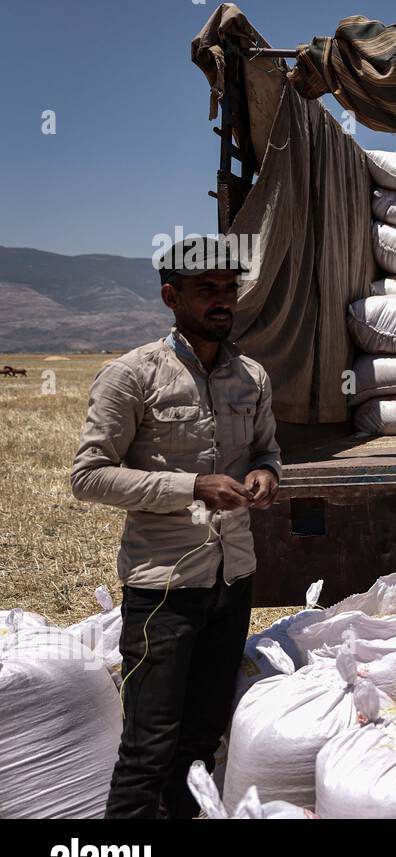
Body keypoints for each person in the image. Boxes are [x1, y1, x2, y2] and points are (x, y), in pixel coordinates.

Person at [70, 238, 281, 819]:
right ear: (171, 296)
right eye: (206, 289)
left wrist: (265, 475)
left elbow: (269, 452)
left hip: (233, 579)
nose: (222, 301)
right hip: (164, 587)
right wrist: (191, 486)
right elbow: (88, 477)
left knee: (199, 743)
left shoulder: (252, 377)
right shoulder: (131, 375)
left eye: (228, 289)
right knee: (149, 749)